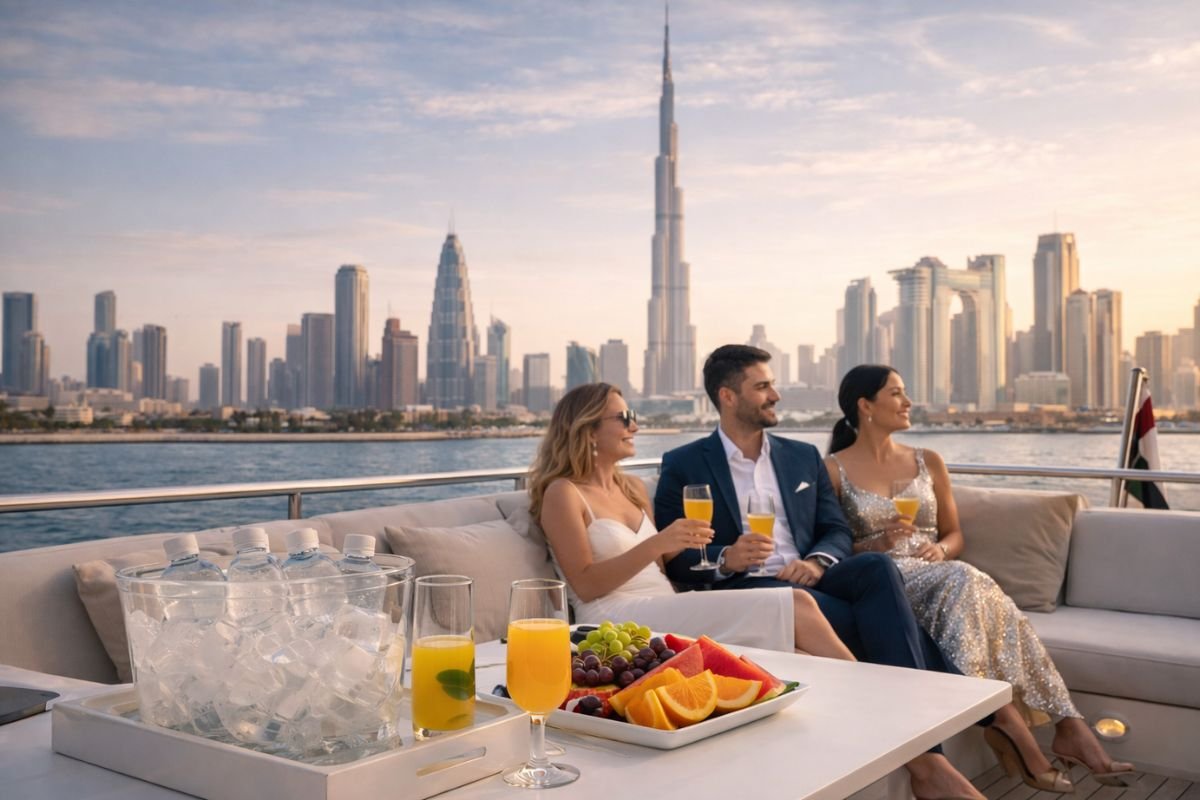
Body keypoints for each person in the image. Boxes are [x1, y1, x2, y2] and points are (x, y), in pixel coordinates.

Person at [655, 344, 987, 800]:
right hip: (751, 585)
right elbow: (676, 558)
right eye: (763, 386)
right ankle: (933, 755)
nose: (776, 395)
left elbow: (833, 529)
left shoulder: (801, 456)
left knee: (874, 566)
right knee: (868, 618)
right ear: (728, 396)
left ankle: (933, 749)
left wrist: (816, 561)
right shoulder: (685, 464)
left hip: (811, 574)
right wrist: (727, 557)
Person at [825, 364, 1136, 790]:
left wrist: (941, 549)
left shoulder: (927, 461)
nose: (908, 402)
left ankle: (1056, 723)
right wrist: (874, 546)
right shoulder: (833, 469)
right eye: (896, 393)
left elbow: (954, 534)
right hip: (887, 581)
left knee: (967, 582)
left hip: (940, 570)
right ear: (866, 406)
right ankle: (1043, 726)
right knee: (967, 581)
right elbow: (834, 546)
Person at [530, 382, 853, 659]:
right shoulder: (564, 493)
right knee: (797, 603)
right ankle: (872, 690)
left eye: (634, 417)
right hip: (613, 617)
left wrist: (723, 554)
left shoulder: (632, 489)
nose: (635, 427)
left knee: (801, 656)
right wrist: (660, 541)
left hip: (665, 605)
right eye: (624, 418)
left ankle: (860, 704)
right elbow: (585, 585)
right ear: (588, 430)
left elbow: (664, 566)